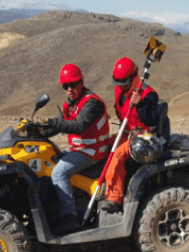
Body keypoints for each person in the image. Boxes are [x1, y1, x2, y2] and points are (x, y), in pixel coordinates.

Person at [44, 63, 110, 236]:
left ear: (81, 82)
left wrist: (55, 123)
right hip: (80, 150)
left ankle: (70, 218)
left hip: (93, 152)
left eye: (73, 84)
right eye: (66, 86)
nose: (70, 89)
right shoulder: (70, 104)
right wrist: (38, 129)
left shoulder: (92, 103)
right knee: (49, 161)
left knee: (58, 173)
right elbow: (57, 125)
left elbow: (79, 126)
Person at [98, 57, 160, 213]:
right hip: (126, 132)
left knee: (118, 154)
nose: (121, 86)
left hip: (142, 136)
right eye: (118, 83)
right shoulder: (120, 90)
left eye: (124, 83)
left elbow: (152, 119)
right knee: (104, 145)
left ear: (134, 77)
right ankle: (102, 185)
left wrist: (141, 105)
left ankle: (114, 198)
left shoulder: (148, 95)